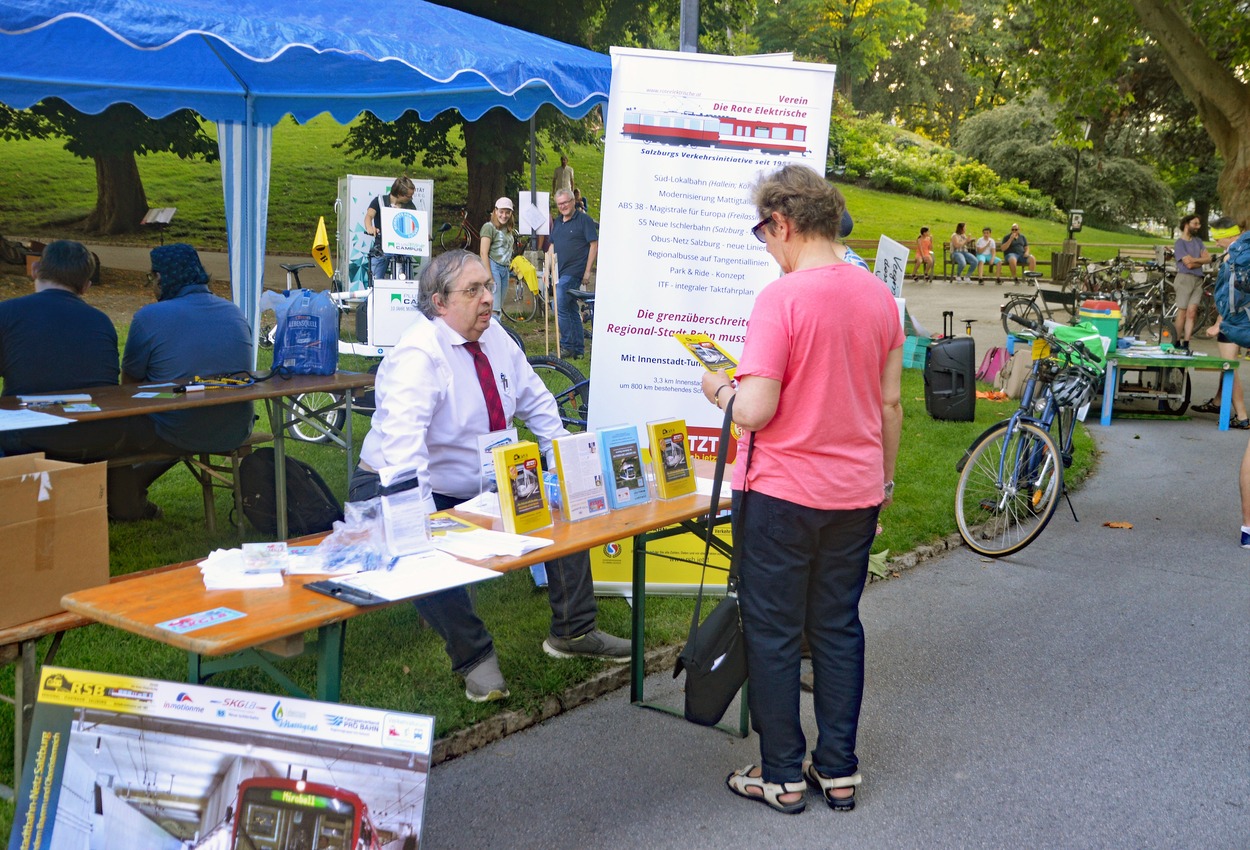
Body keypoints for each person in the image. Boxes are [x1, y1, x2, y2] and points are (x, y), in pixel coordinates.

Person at [703, 165, 903, 815]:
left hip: (782, 493)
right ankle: (839, 771)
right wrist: (885, 479)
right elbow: (891, 404)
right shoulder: (878, 297)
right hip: (855, 492)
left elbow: (756, 409)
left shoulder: (782, 299)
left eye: (765, 233)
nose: (767, 246)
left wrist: (720, 389)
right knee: (838, 628)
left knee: (775, 631)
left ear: (784, 224)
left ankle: (783, 773)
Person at [349, 250, 629, 703]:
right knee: (421, 549)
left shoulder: (496, 336)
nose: (487, 299)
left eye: (488, 287)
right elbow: (404, 456)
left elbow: (537, 402)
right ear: (439, 303)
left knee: (563, 502)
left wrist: (563, 465)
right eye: (473, 290)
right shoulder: (418, 356)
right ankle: (475, 658)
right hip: (401, 483)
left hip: (482, 478)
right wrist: (423, 524)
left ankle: (574, 632)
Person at [0, 240, 158, 518]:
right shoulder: (100, 321)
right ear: (86, 286)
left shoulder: (8, 313)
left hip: (29, 439)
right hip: (102, 437)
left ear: (35, 270)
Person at [113, 243, 256, 515]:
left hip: (178, 427)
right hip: (235, 425)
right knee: (179, 418)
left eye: (150, 277)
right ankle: (130, 495)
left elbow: (129, 388)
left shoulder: (149, 317)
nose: (150, 285)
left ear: (161, 277)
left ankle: (125, 501)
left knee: (116, 429)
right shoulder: (233, 311)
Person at [547, 188, 598, 358]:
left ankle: (567, 346)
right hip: (559, 271)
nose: (563, 206)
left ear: (573, 202)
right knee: (570, 308)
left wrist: (587, 271)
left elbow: (593, 245)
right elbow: (552, 245)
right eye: (559, 204)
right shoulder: (559, 222)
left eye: (566, 202)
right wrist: (548, 269)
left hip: (574, 271)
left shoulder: (584, 220)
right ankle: (578, 349)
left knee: (560, 306)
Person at [363, 176, 416, 283]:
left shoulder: (409, 205)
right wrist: (369, 227)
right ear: (400, 194)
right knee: (374, 282)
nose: (411, 198)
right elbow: (369, 215)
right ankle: (371, 297)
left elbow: (416, 222)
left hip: (403, 248)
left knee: (408, 281)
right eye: (409, 196)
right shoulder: (379, 201)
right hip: (382, 247)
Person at [1172, 214, 1211, 351]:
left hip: (1198, 280)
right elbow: (1187, 265)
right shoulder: (1179, 243)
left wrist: (1194, 260)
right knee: (1182, 312)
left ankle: (1187, 342)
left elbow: (1208, 258)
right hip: (1184, 278)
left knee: (1192, 312)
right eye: (1195, 223)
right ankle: (1176, 341)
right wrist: (1199, 260)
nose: (1198, 227)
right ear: (1187, 224)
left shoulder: (1199, 241)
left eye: (1199, 224)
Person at [479, 197, 515, 320]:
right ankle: (494, 333)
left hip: (505, 269)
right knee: (494, 307)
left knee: (499, 306)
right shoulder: (489, 227)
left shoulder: (509, 229)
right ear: (495, 211)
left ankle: (496, 332)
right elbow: (483, 253)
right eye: (501, 212)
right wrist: (489, 277)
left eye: (507, 212)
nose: (504, 215)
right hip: (493, 267)